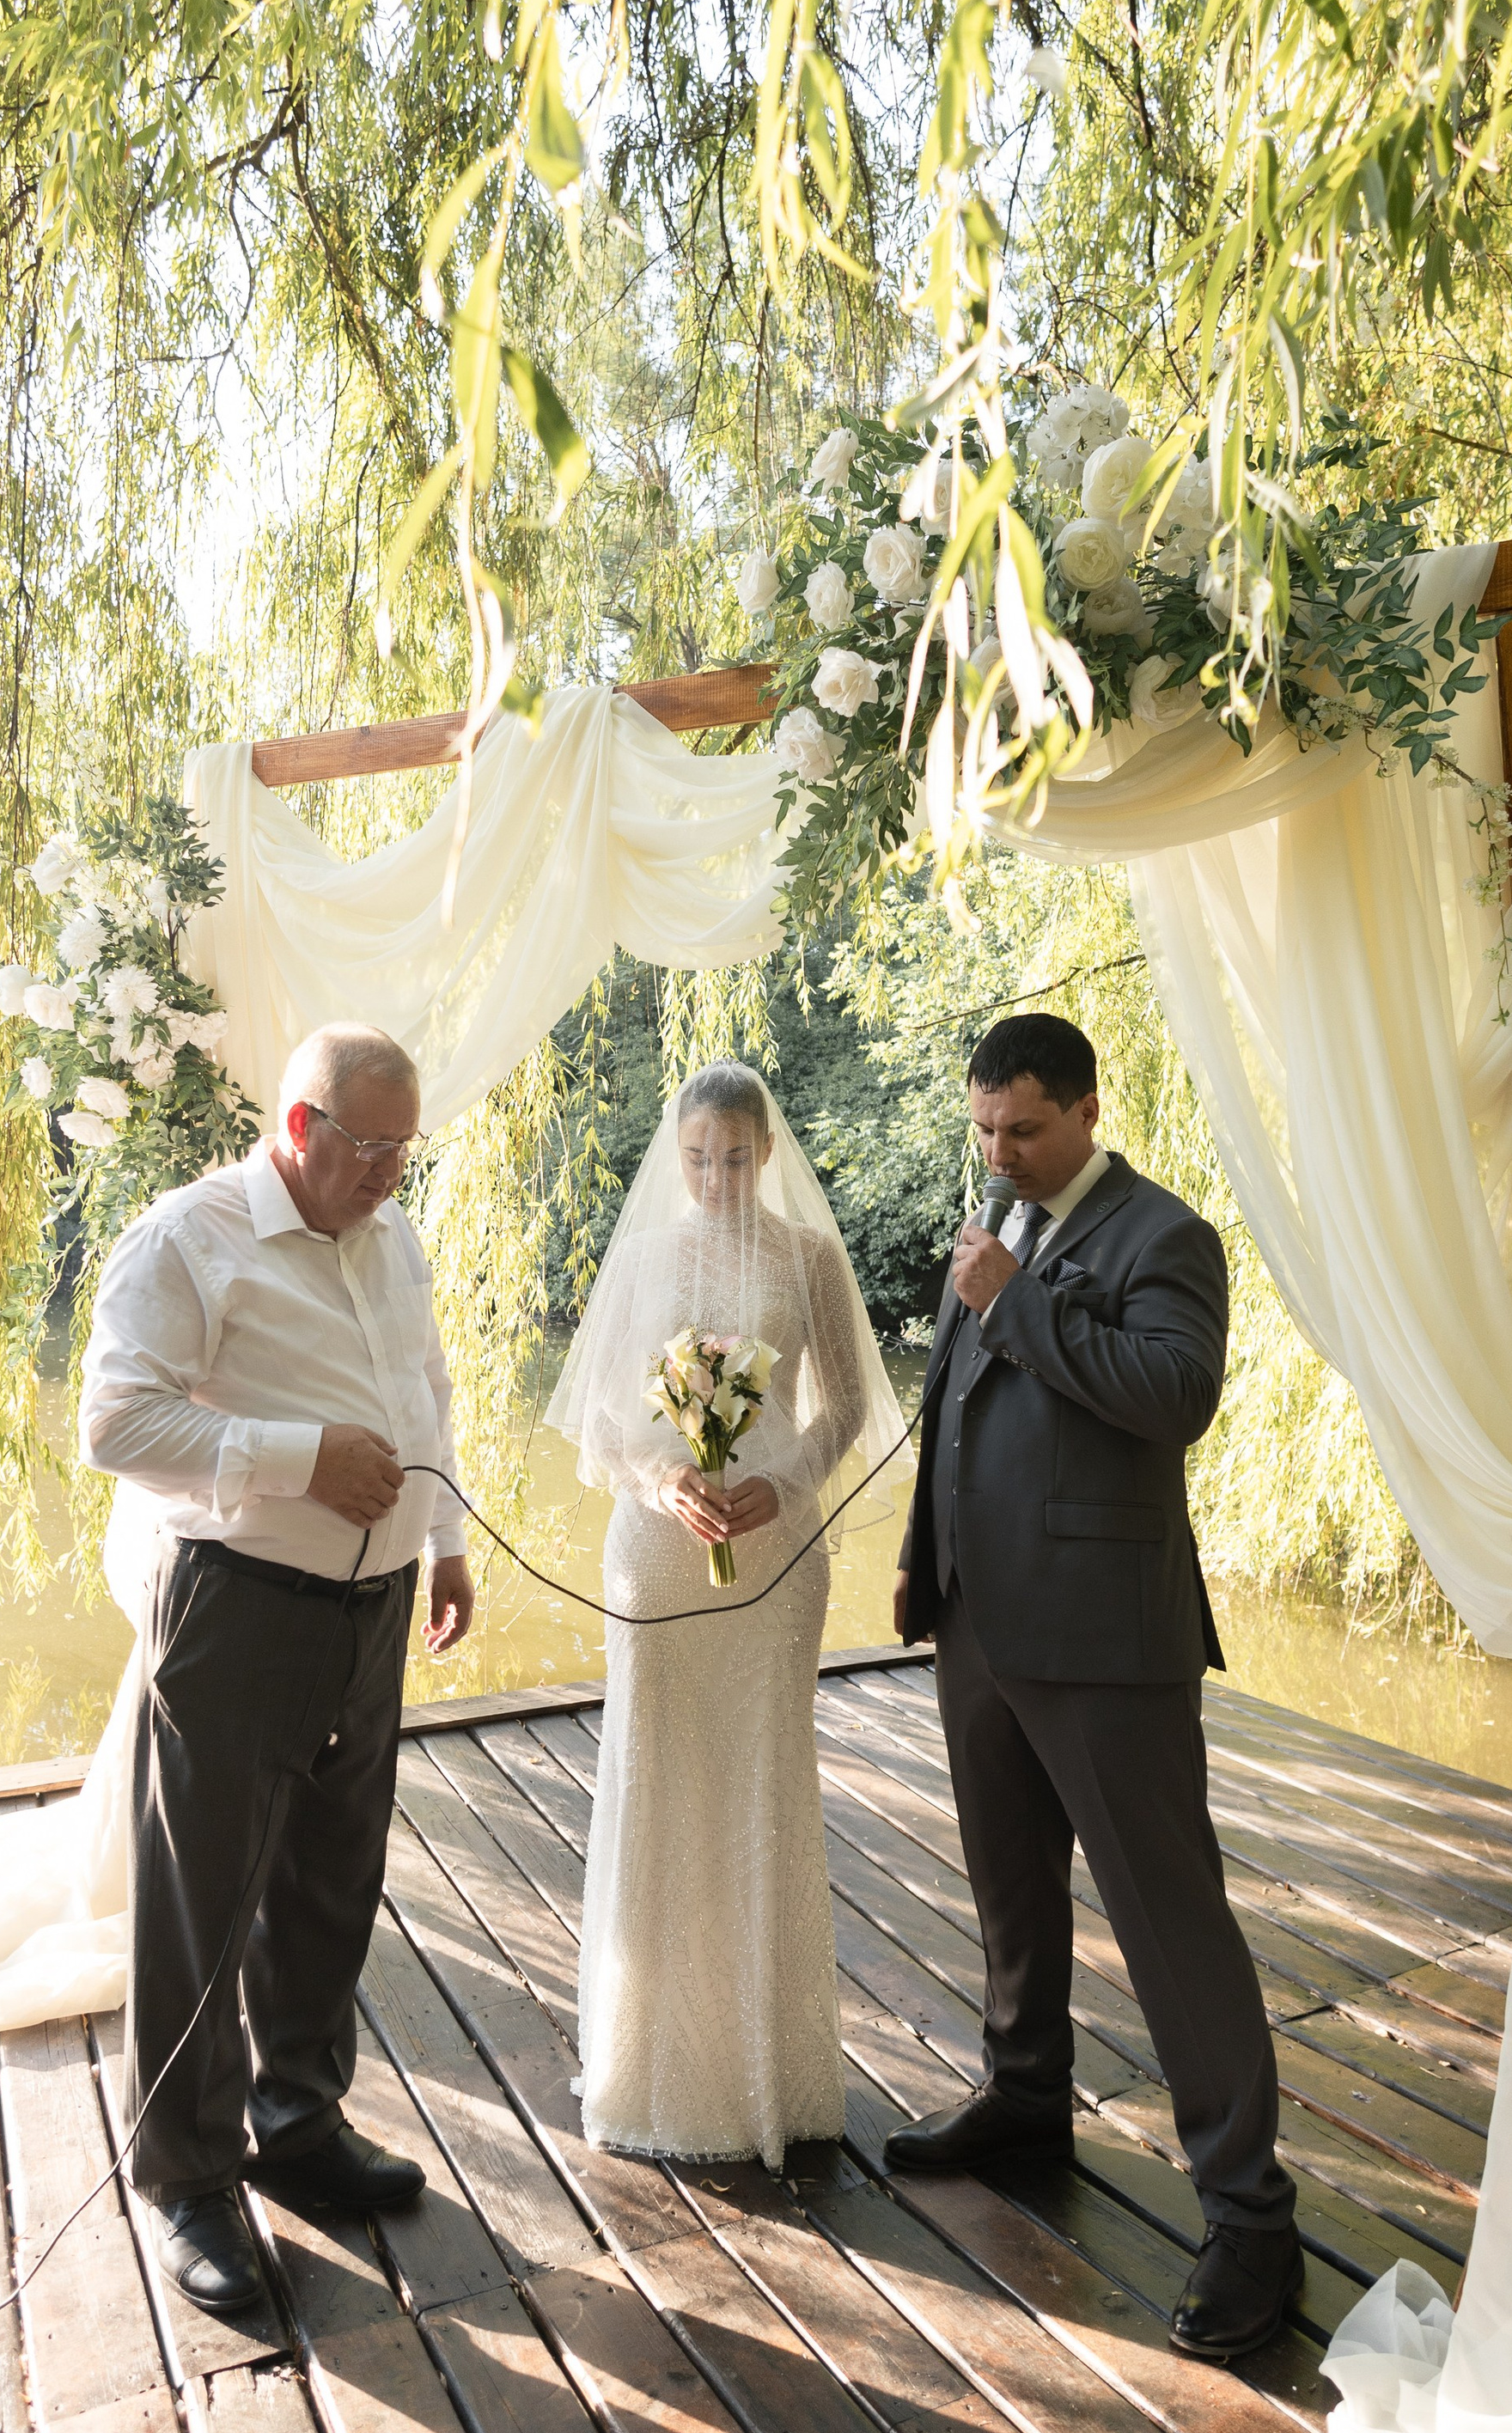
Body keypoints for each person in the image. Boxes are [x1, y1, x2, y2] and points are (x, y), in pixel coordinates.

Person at [889, 1012, 1302, 2363]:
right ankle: (1024, 2097)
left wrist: (1017, 1300)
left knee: (1171, 1928)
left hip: (1106, 1644)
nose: (1000, 1151)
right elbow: (958, 1403)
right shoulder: (998, 1222)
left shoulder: (1161, 1236)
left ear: (1083, 1110)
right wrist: (925, 1575)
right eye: (985, 1129)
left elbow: (1174, 1394)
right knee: (1010, 1896)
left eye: (1025, 1129)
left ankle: (1249, 2217)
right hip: (979, 1628)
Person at [79, 1020, 476, 2311]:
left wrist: (447, 1538)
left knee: (329, 1878)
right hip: (237, 1604)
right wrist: (298, 1456)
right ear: (300, 1126)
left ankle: (298, 2127)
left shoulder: (395, 1238)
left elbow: (427, 1390)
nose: (391, 1176)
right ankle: (189, 2179)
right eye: (371, 1149)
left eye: (406, 1152)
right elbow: (117, 1424)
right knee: (202, 1896)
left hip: (372, 1608)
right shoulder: (187, 1240)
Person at [548, 1064, 907, 2166]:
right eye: (698, 1157)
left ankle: (770, 2075)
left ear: (766, 1152)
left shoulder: (809, 1259)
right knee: (657, 1771)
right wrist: (660, 1481)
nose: (715, 1177)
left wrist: (785, 1480)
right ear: (676, 1151)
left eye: (736, 1158)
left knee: (759, 1773)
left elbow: (845, 1403)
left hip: (774, 1542)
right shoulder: (644, 1258)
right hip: (660, 1546)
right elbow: (600, 1417)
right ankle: (645, 2066)